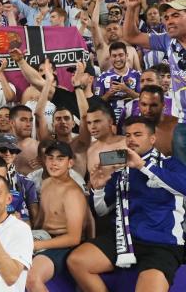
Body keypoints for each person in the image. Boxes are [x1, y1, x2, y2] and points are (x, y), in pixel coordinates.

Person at [67, 117, 186, 292]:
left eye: (138, 134)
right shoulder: (120, 169)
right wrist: (98, 189)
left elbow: (183, 187)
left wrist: (142, 166)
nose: (131, 139)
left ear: (152, 139)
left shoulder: (170, 164)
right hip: (124, 238)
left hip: (162, 243)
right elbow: (102, 211)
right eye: (128, 135)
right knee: (77, 261)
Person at [122, 0, 186, 166]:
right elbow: (131, 36)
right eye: (166, 17)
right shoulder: (168, 40)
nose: (169, 21)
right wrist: (132, 9)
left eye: (176, 15)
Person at [25, 141, 87, 292]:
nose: (54, 163)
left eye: (60, 159)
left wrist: (38, 245)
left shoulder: (72, 193)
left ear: (70, 162)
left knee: (32, 280)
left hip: (64, 246)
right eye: (50, 158)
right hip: (43, 237)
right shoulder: (46, 183)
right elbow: (41, 219)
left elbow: (74, 238)